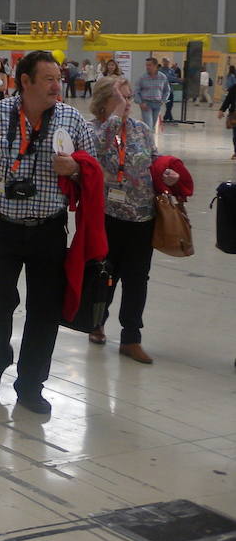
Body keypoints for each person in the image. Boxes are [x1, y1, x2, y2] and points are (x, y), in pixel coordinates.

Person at [0, 50, 99, 415]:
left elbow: (94, 169)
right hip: (1, 227)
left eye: (58, 79)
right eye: (48, 79)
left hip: (49, 230)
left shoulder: (70, 118)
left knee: (45, 310)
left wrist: (74, 168)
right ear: (25, 81)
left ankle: (31, 384)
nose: (56, 86)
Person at [87, 76, 183, 363]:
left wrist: (166, 174)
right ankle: (96, 322)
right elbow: (97, 150)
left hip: (143, 217)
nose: (127, 102)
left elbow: (153, 160)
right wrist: (115, 118)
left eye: (129, 97)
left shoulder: (140, 129)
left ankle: (131, 337)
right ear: (104, 100)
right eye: (121, 97)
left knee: (137, 279)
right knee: (106, 275)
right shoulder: (93, 129)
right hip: (109, 217)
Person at [135, 57, 170, 131]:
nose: (147, 67)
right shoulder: (142, 78)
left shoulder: (162, 77)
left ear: (155, 66)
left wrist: (163, 100)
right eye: (146, 65)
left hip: (157, 104)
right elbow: (136, 91)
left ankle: (146, 137)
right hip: (146, 104)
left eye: (149, 65)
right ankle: (148, 137)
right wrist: (140, 103)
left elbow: (167, 90)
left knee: (152, 126)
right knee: (148, 125)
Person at [222, 80, 236, 160]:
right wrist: (222, 110)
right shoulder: (234, 88)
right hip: (234, 114)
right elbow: (228, 100)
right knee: (235, 136)